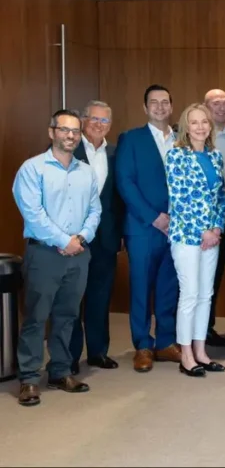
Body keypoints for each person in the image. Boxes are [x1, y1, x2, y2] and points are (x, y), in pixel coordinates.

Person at [13, 110, 100, 407]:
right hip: (44, 254)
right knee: (36, 317)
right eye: (64, 130)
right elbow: (33, 214)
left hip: (78, 255)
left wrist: (81, 238)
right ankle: (28, 378)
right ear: (52, 132)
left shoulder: (86, 171)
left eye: (75, 131)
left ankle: (60, 371)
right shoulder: (32, 169)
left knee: (67, 316)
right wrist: (65, 241)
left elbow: (95, 210)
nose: (70, 136)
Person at [115, 84, 181, 372]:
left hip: (178, 227)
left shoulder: (182, 139)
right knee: (141, 287)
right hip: (143, 227)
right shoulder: (131, 139)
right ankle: (143, 345)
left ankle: (165, 342)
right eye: (153, 102)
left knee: (169, 286)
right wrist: (154, 217)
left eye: (165, 102)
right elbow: (125, 182)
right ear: (145, 108)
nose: (159, 107)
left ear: (171, 106)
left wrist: (176, 218)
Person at [165, 103, 225, 377]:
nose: (201, 126)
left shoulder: (215, 156)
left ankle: (201, 351)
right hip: (187, 236)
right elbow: (180, 200)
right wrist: (203, 230)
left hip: (211, 238)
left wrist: (216, 229)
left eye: (204, 122)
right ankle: (186, 354)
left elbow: (220, 198)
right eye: (194, 122)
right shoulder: (176, 155)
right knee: (189, 295)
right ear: (185, 127)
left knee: (206, 295)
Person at [69, 101, 122, 374]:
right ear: (83, 120)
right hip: (75, 237)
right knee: (72, 299)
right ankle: (69, 356)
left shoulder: (115, 153)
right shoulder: (69, 149)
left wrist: (121, 234)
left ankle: (98, 352)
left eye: (104, 121)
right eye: (93, 119)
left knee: (100, 297)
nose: (98, 125)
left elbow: (119, 198)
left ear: (110, 126)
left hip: (107, 238)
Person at [203, 88, 225, 348]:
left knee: (217, 274)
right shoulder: (198, 139)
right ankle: (194, 333)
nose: (221, 108)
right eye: (216, 103)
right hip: (202, 221)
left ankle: (208, 327)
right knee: (199, 277)